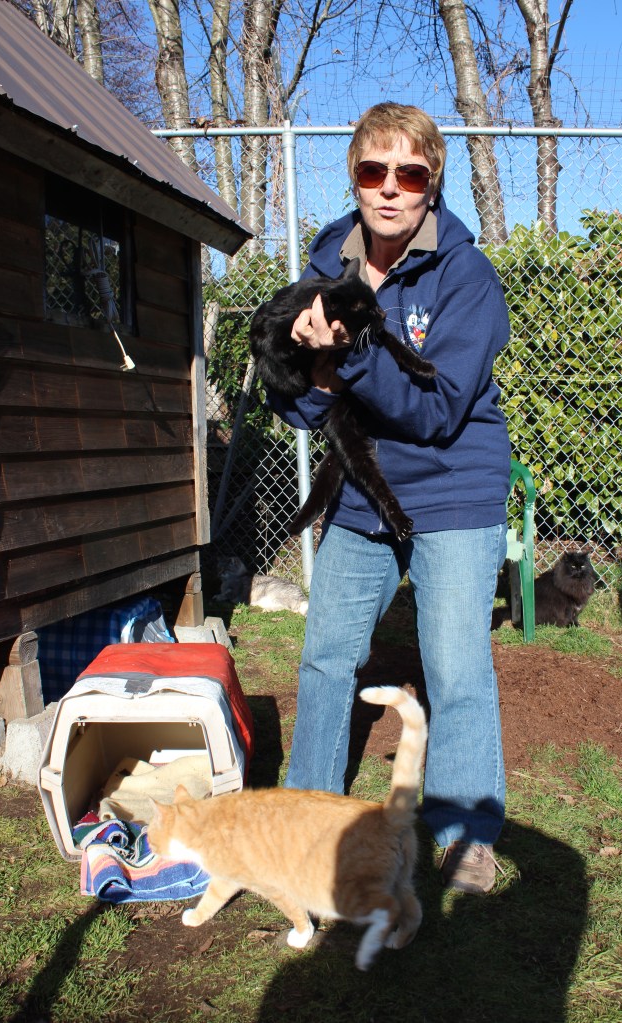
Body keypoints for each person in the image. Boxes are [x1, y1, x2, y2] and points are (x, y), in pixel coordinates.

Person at [269, 102, 511, 894]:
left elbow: (439, 410)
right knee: (327, 652)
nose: (389, 190)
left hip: (452, 492)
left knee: (455, 668)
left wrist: (344, 361)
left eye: (409, 174)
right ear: (355, 176)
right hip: (365, 493)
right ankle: (309, 811)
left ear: (430, 184)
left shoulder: (465, 276)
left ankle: (468, 832)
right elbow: (306, 397)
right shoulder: (325, 262)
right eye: (375, 171)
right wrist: (307, 378)